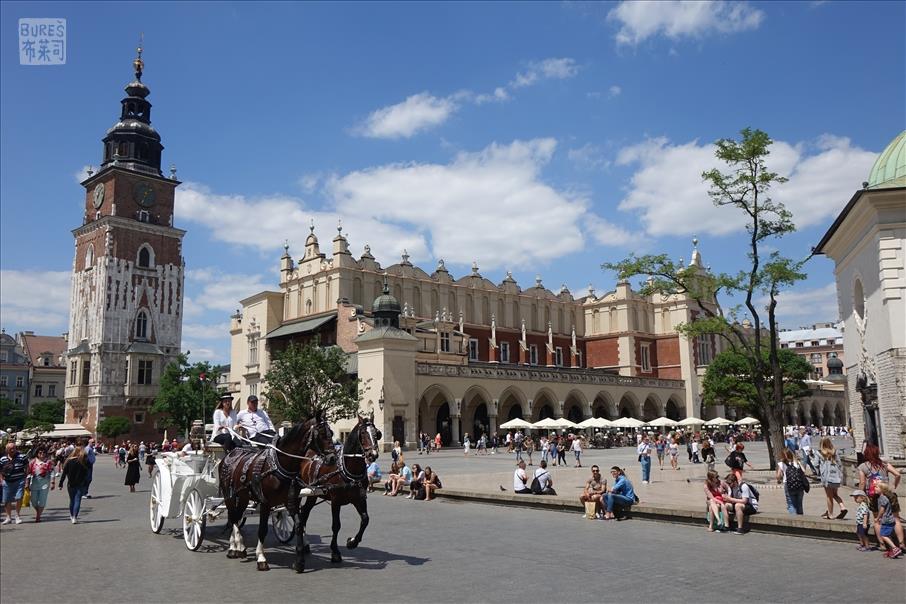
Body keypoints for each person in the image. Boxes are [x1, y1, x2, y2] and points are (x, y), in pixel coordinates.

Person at [858, 442, 904, 548]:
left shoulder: (863, 466)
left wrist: (860, 496)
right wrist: (893, 486)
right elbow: (897, 474)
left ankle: (882, 544)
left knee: (877, 519)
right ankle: (901, 543)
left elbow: (862, 483)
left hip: (874, 495)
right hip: (888, 494)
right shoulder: (884, 464)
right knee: (896, 518)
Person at [817, 437, 847, 520]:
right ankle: (842, 506)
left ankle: (830, 514)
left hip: (827, 478)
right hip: (835, 477)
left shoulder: (819, 453)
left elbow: (815, 464)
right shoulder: (835, 452)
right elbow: (840, 464)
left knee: (829, 496)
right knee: (835, 494)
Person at [58, 447, 90, 523]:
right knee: (78, 500)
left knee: (72, 500)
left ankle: (72, 515)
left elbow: (64, 473)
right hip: (80, 483)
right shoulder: (83, 461)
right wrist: (86, 483)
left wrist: (61, 483)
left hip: (71, 483)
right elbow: (86, 474)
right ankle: (75, 517)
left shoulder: (69, 461)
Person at [0, 442, 28, 524]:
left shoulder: (22, 457)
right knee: (6, 500)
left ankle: (17, 516)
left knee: (19, 498)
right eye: (10, 449)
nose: (12, 450)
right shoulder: (2, 459)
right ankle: (8, 517)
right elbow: (0, 470)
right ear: (6, 450)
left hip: (19, 480)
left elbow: (27, 468)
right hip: (7, 482)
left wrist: (26, 479)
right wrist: (1, 480)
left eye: (14, 448)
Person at [874, 482, 902, 558]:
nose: (875, 488)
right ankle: (891, 550)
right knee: (887, 535)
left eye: (877, 487)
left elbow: (882, 509)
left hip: (887, 520)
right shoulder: (882, 497)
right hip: (888, 519)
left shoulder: (883, 498)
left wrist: (878, 517)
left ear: (882, 489)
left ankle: (895, 548)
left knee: (883, 535)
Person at [26, 448, 55, 522]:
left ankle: (38, 516)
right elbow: (28, 473)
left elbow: (52, 472)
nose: (42, 454)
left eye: (43, 452)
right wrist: (27, 483)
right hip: (34, 483)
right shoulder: (32, 462)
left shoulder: (49, 462)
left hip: (45, 484)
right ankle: (38, 512)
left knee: (42, 501)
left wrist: (52, 482)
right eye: (40, 452)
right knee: (33, 501)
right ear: (37, 453)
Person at [777, 448, 808, 515]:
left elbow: (778, 475)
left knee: (791, 504)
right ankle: (800, 521)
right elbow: (804, 471)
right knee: (799, 504)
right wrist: (798, 462)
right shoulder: (796, 462)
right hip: (799, 485)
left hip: (788, 485)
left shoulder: (781, 463)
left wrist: (779, 480)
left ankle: (793, 521)